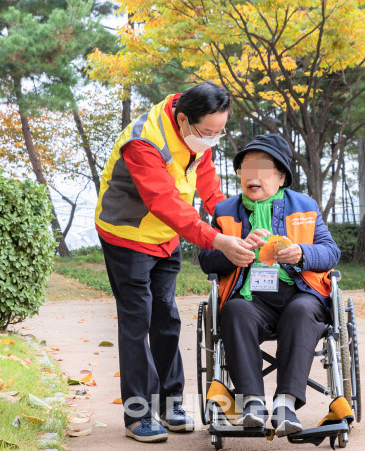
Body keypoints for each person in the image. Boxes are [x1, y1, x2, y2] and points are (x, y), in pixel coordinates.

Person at [95, 81, 257, 443]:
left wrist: (235, 221)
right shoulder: (144, 140)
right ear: (183, 119)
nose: (213, 139)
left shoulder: (199, 134)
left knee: (166, 316)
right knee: (138, 320)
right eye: (208, 132)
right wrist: (215, 239)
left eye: (220, 132)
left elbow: (208, 184)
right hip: (127, 235)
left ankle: (170, 404)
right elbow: (163, 202)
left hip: (166, 237)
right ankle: (138, 414)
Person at [199, 134, 341, 437]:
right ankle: (251, 402)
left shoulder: (305, 206)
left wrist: (303, 253)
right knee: (234, 310)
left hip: (299, 292)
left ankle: (286, 404)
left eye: (263, 170)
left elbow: (331, 252)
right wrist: (233, 252)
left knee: (302, 311)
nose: (253, 177)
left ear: (280, 176)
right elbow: (206, 260)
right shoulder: (224, 211)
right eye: (247, 170)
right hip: (250, 297)